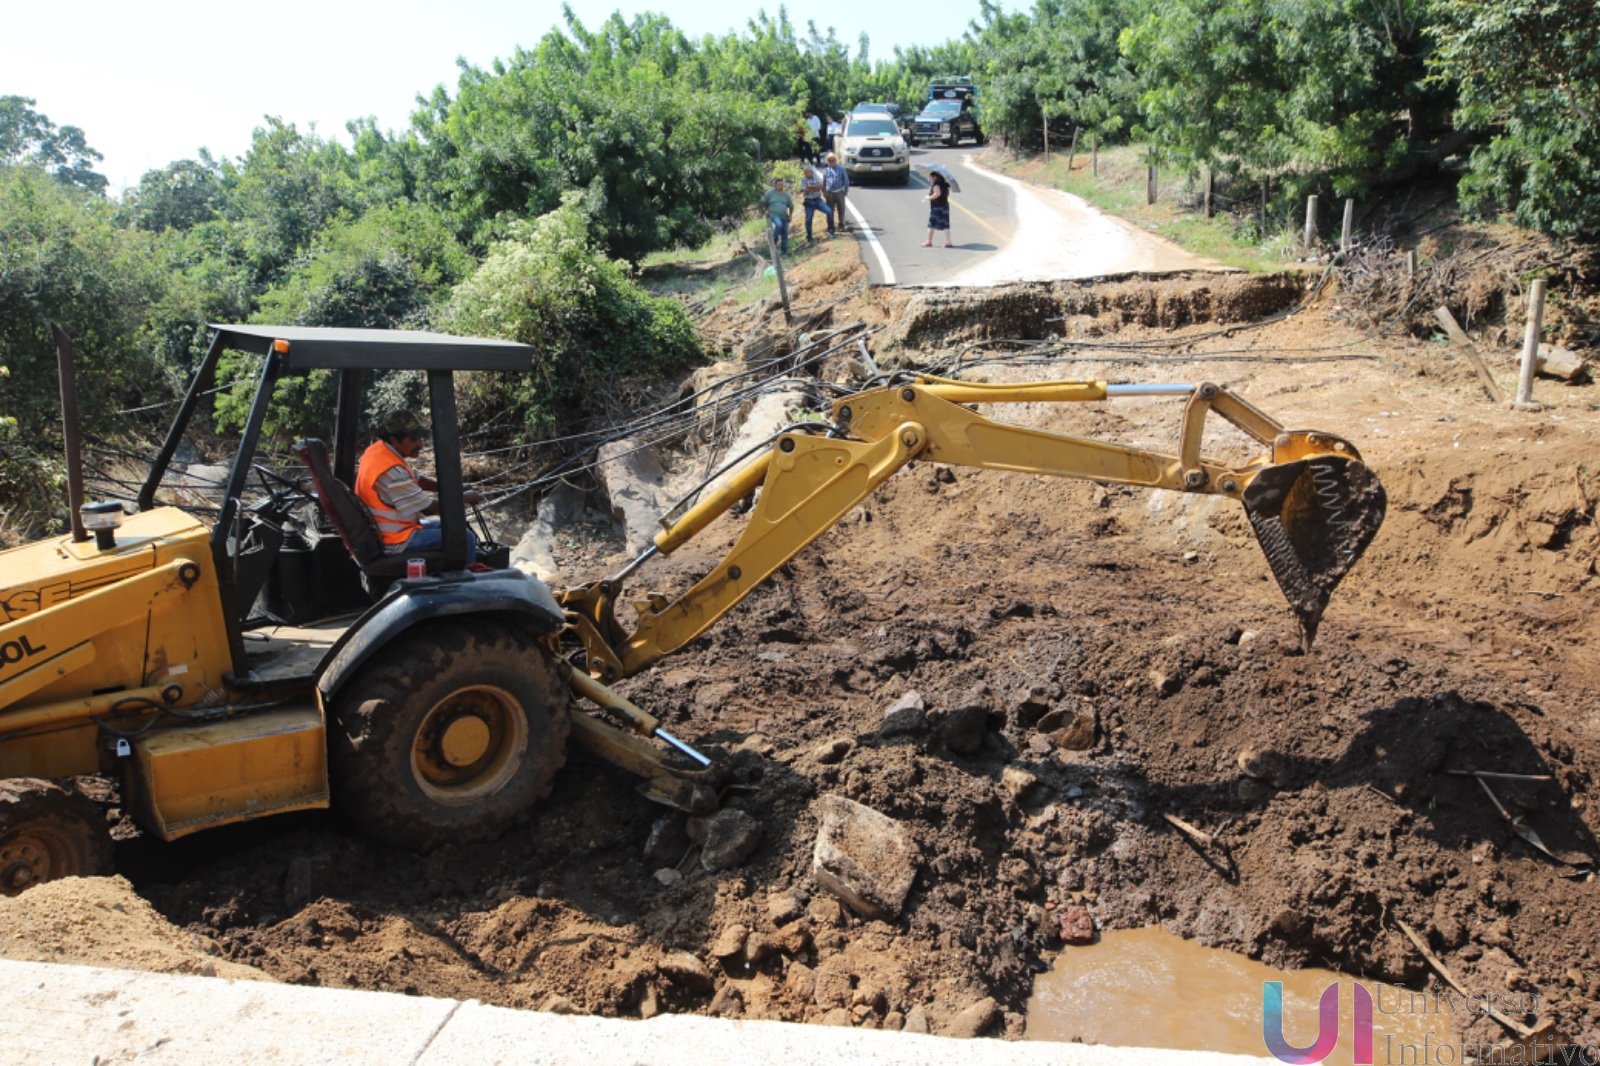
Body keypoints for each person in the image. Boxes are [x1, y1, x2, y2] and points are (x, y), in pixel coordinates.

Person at [355, 409, 482, 565]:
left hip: (396, 531)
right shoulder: (391, 471)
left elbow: (418, 480)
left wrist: (455, 487)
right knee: (464, 537)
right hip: (396, 539)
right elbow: (428, 508)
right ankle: (465, 581)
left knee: (455, 525)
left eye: (420, 438)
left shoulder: (379, 451)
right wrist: (464, 498)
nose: (420, 444)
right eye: (413, 439)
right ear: (395, 440)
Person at [760, 176, 794, 255]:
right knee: (779, 225)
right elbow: (763, 201)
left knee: (785, 233)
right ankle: (774, 238)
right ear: (775, 186)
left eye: (782, 185)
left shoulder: (785, 195)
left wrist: (790, 215)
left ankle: (784, 251)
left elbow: (791, 206)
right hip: (773, 214)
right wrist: (766, 210)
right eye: (779, 185)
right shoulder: (770, 193)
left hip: (784, 215)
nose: (780, 186)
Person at [800, 163, 830, 241]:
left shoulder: (816, 177)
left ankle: (831, 229)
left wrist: (811, 187)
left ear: (812, 172)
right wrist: (816, 187)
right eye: (806, 172)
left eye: (809, 172)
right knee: (808, 219)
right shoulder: (803, 180)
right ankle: (809, 236)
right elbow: (805, 190)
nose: (808, 173)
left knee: (829, 211)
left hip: (817, 199)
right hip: (809, 201)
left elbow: (821, 185)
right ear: (804, 173)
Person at [923, 170, 953, 248]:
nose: (930, 179)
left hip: (937, 207)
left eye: (930, 177)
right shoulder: (945, 184)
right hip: (945, 206)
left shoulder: (936, 185)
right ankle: (948, 242)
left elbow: (937, 194)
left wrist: (928, 197)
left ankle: (929, 241)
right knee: (945, 224)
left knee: (931, 224)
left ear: (935, 177)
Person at [822, 154, 850, 233]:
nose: (831, 162)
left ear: (836, 160)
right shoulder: (826, 170)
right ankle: (830, 226)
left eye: (833, 160)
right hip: (829, 193)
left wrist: (846, 190)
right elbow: (823, 183)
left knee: (841, 209)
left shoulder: (841, 169)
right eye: (829, 160)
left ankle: (841, 225)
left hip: (839, 192)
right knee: (829, 210)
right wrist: (824, 192)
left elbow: (846, 180)